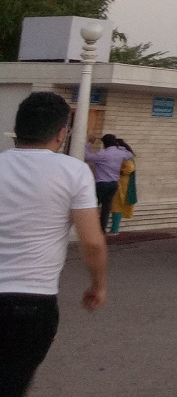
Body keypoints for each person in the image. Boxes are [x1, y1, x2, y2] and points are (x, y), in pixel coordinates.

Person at [0, 92, 107, 397]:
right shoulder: (73, 172)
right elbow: (92, 243)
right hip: (33, 303)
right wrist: (98, 285)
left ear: (17, 129)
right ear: (62, 133)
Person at [83, 134, 129, 230]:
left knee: (94, 205)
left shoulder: (103, 154)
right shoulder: (120, 153)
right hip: (114, 183)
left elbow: (87, 156)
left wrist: (89, 143)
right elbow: (129, 154)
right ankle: (102, 229)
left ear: (104, 143)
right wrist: (119, 146)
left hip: (102, 183)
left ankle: (91, 227)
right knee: (106, 208)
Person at [108, 139, 137, 234]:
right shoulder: (127, 154)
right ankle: (114, 228)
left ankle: (114, 229)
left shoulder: (124, 155)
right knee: (116, 206)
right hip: (121, 182)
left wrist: (118, 171)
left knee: (117, 206)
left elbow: (130, 168)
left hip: (122, 183)